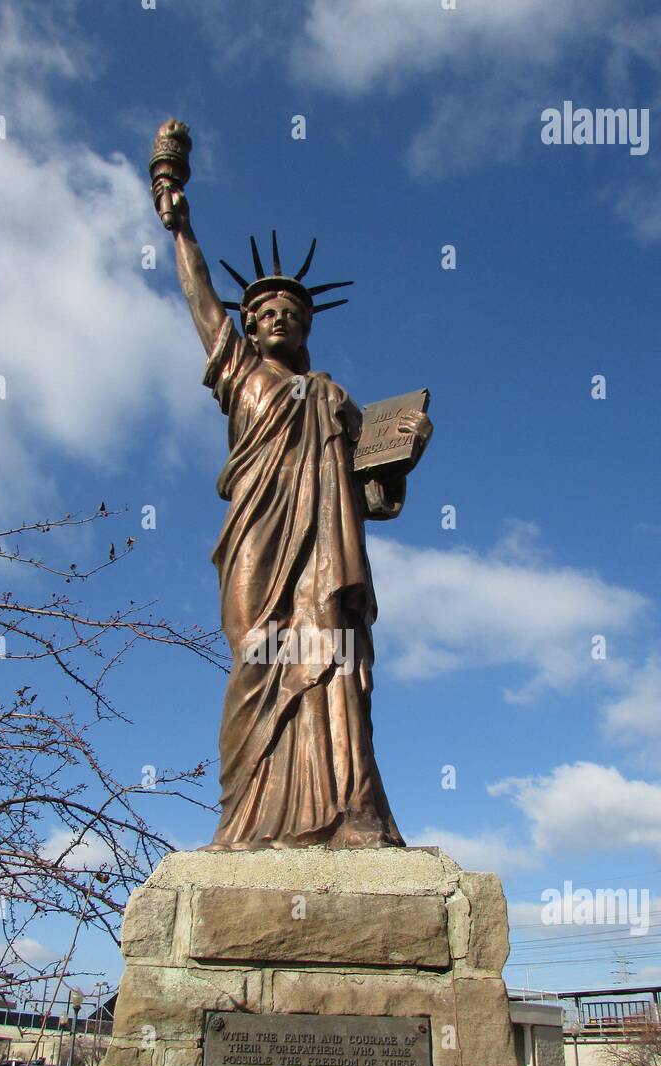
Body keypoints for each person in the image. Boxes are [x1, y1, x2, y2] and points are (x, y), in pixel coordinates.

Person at [154, 179, 432, 850]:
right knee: (258, 658)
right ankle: (246, 820)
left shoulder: (335, 397)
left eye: (291, 311)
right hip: (258, 530)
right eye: (265, 310)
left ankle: (347, 815)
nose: (279, 316)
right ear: (247, 325)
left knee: (332, 662)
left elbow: (368, 498)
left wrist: (402, 455)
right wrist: (178, 224)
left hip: (328, 551)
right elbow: (198, 300)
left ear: (307, 325)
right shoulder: (241, 375)